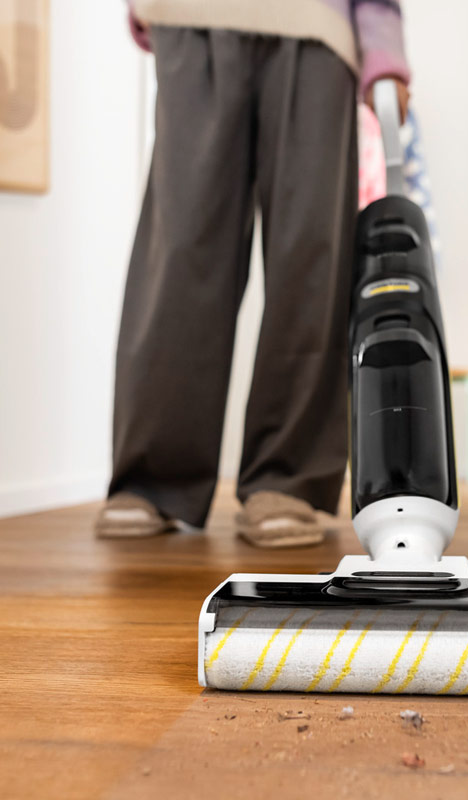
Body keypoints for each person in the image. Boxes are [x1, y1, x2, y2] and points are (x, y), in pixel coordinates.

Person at [95, 0, 411, 548]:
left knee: (310, 255)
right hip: (193, 17)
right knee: (182, 248)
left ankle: (287, 478)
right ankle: (154, 477)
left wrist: (384, 46)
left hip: (318, 29)